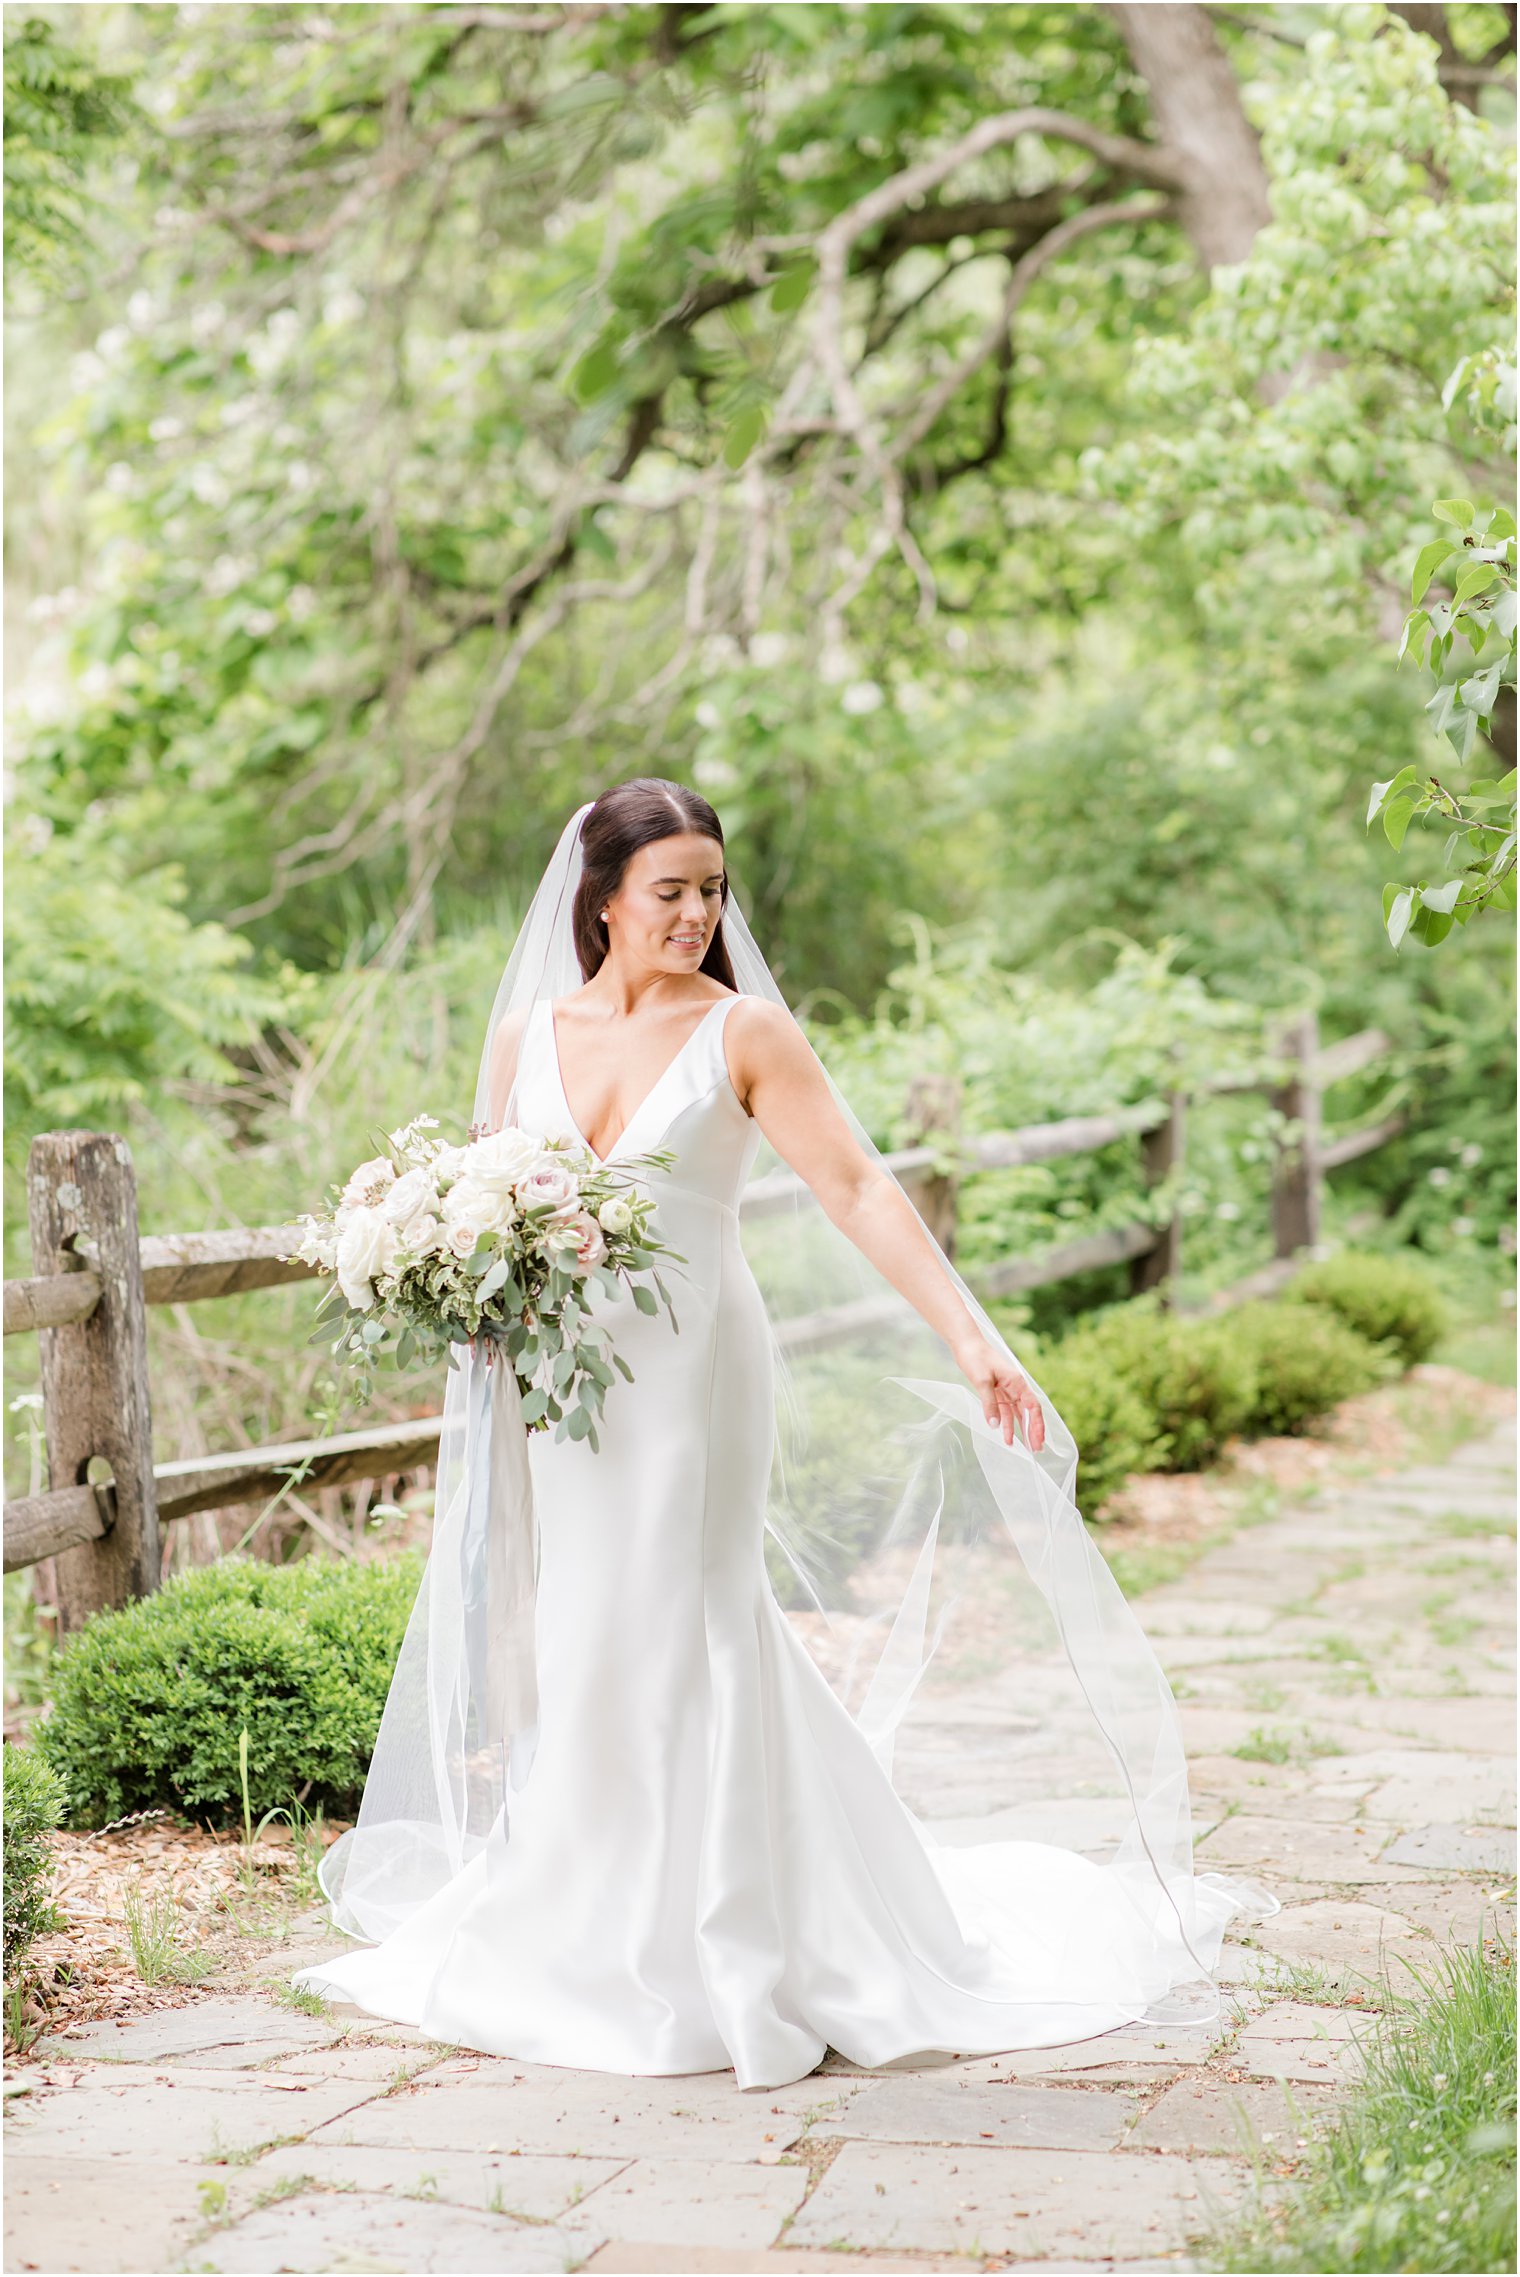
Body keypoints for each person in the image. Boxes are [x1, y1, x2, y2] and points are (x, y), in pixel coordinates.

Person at [293, 777, 1271, 2091]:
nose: (696, 913)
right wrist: (459, 1290)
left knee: (685, 1611)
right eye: (669, 890)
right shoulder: (527, 1031)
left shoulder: (744, 1031)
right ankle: (576, 1917)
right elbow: (481, 1189)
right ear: (601, 898)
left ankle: (730, 1936)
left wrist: (973, 1336)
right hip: (557, 1387)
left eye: (712, 889)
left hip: (694, 1372)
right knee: (575, 1621)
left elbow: (859, 1184)